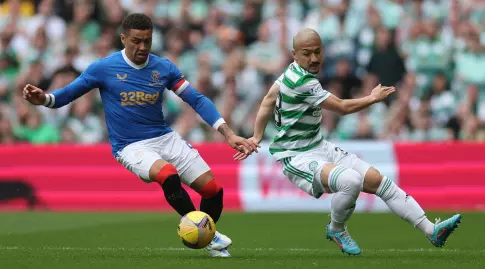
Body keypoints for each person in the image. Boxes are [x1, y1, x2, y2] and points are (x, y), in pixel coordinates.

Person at [22, 13, 259, 258]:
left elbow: (196, 100)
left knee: (213, 190)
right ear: (123, 38)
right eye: (137, 41)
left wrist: (229, 134)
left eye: (147, 41)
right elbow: (66, 95)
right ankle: (203, 233)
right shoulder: (103, 68)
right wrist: (44, 99)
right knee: (167, 174)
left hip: (165, 137)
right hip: (130, 145)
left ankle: (206, 236)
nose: (143, 47)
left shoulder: (163, 67)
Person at [235, 28, 461, 256]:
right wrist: (372, 98)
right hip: (296, 156)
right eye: (307, 53)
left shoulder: (289, 74)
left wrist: (257, 136)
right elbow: (342, 108)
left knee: (378, 181)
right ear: (295, 54)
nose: (314, 59)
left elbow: (267, 101)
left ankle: (432, 230)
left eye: (317, 52)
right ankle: (336, 229)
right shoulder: (302, 82)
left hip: (319, 146)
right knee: (351, 181)